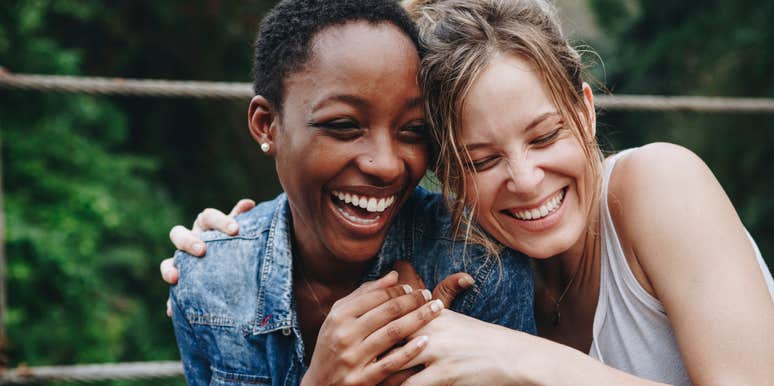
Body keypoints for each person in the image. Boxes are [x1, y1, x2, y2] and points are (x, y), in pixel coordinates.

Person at [168, 0, 774, 385]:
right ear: (447, 175)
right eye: (481, 159)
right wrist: (237, 253)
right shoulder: (482, 262)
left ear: (585, 112)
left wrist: (533, 362)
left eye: (545, 136)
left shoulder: (658, 185)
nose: (527, 179)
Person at [165, 0, 535, 385]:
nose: (387, 164)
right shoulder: (209, 283)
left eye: (413, 130)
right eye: (343, 125)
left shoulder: (478, 266)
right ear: (266, 125)